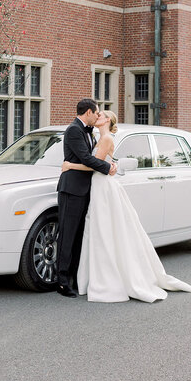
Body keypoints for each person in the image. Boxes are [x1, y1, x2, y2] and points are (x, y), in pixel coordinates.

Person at [61, 110, 191, 303]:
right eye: (96, 113)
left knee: (107, 231)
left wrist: (70, 166)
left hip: (103, 186)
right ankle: (85, 276)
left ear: (108, 120)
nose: (97, 115)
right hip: (94, 186)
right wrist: (108, 164)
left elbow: (93, 164)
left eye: (101, 114)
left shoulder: (105, 138)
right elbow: (97, 160)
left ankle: (108, 277)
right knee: (97, 231)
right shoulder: (93, 136)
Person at [56, 99, 117, 298]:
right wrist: (108, 168)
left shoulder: (89, 132)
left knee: (79, 237)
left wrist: (110, 164)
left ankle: (74, 278)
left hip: (86, 189)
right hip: (72, 189)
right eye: (96, 113)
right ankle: (62, 282)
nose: (98, 116)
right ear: (89, 112)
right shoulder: (74, 130)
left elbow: (95, 158)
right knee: (67, 235)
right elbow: (85, 158)